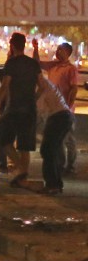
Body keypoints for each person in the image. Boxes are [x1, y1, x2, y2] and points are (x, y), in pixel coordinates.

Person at [0, 32, 43, 187]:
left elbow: (4, 86)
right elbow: (42, 86)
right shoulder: (33, 64)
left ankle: (21, 171)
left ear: (12, 45)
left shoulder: (12, 63)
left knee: (3, 138)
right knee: (25, 146)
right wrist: (33, 98)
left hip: (14, 107)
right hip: (29, 108)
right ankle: (22, 178)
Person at [33, 40, 79, 173]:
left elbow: (74, 89)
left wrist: (69, 107)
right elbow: (37, 63)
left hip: (65, 109)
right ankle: (61, 163)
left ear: (68, 53)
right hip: (52, 109)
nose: (58, 52)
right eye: (57, 49)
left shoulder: (71, 69)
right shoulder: (53, 66)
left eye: (61, 50)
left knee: (68, 138)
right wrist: (35, 48)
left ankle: (71, 165)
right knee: (57, 138)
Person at [36, 75, 73, 196]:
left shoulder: (41, 84)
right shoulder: (44, 84)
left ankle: (52, 185)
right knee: (53, 151)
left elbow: (39, 110)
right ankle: (56, 184)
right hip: (63, 116)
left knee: (47, 150)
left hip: (58, 117)